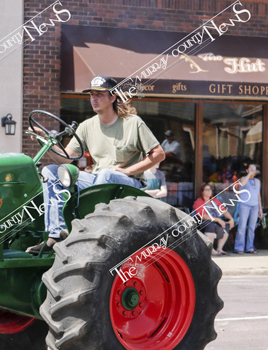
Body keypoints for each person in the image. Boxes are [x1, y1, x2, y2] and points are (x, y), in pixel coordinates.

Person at [28, 75, 165, 254]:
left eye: (99, 94)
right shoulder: (87, 126)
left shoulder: (133, 123)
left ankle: (92, 232)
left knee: (106, 174)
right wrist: (45, 140)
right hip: (97, 179)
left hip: (129, 183)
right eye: (91, 94)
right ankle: (56, 234)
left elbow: (158, 154)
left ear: (113, 97)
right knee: (52, 171)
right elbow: (65, 159)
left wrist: (127, 171)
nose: (94, 98)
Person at [193, 183, 234, 255]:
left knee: (226, 225)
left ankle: (219, 249)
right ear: (202, 192)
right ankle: (210, 249)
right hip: (202, 221)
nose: (209, 191)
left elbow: (223, 211)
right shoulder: (199, 201)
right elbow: (203, 216)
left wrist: (231, 219)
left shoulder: (214, 200)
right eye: (206, 190)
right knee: (211, 225)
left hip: (214, 220)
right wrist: (218, 220)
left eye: (210, 189)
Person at [234, 164, 263, 254]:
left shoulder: (258, 181)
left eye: (254, 169)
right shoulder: (243, 178)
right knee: (242, 227)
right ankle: (239, 248)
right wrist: (249, 174)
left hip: (255, 206)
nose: (253, 171)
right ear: (247, 170)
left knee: (252, 227)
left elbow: (258, 195)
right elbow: (242, 184)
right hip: (244, 205)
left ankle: (250, 247)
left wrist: (260, 209)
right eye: (251, 169)